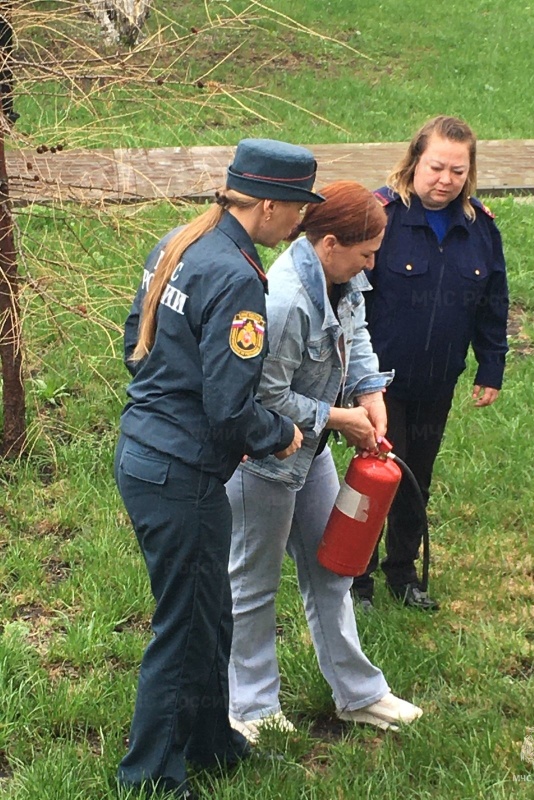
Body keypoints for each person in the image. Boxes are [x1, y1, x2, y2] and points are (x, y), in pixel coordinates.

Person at [115, 138, 324, 799]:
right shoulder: (237, 276)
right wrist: (283, 432)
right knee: (184, 625)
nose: (302, 223)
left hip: (146, 454)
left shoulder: (181, 239)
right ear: (267, 205)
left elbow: (134, 342)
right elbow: (230, 408)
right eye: (297, 209)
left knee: (210, 612)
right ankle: (147, 777)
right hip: (180, 473)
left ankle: (211, 743)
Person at [226, 181, 424, 743]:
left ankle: (359, 695)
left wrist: (369, 392)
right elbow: (265, 399)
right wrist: (342, 420)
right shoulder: (283, 301)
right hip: (262, 459)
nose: (373, 265)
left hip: (309, 455)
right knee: (253, 585)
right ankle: (253, 707)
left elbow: (356, 334)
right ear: (329, 243)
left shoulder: (345, 276)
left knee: (335, 567)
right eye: (366, 254)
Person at [352, 115, 509, 612]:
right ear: (415, 159)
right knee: (372, 476)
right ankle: (358, 580)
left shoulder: (479, 228)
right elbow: (348, 301)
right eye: (437, 166)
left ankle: (403, 573)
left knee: (417, 477)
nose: (445, 179)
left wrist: (491, 367)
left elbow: (493, 302)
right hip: (379, 384)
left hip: (438, 381)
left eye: (458, 171)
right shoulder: (380, 216)